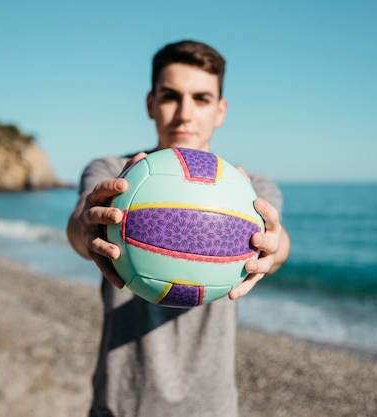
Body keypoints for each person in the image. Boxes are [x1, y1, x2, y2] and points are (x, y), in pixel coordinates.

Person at [67, 40, 291, 417]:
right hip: (121, 403)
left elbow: (279, 244)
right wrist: (87, 230)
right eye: (171, 97)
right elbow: (79, 225)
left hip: (210, 406)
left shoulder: (248, 188)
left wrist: (273, 249)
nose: (184, 114)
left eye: (201, 99)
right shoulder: (114, 172)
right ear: (151, 103)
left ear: (220, 111)